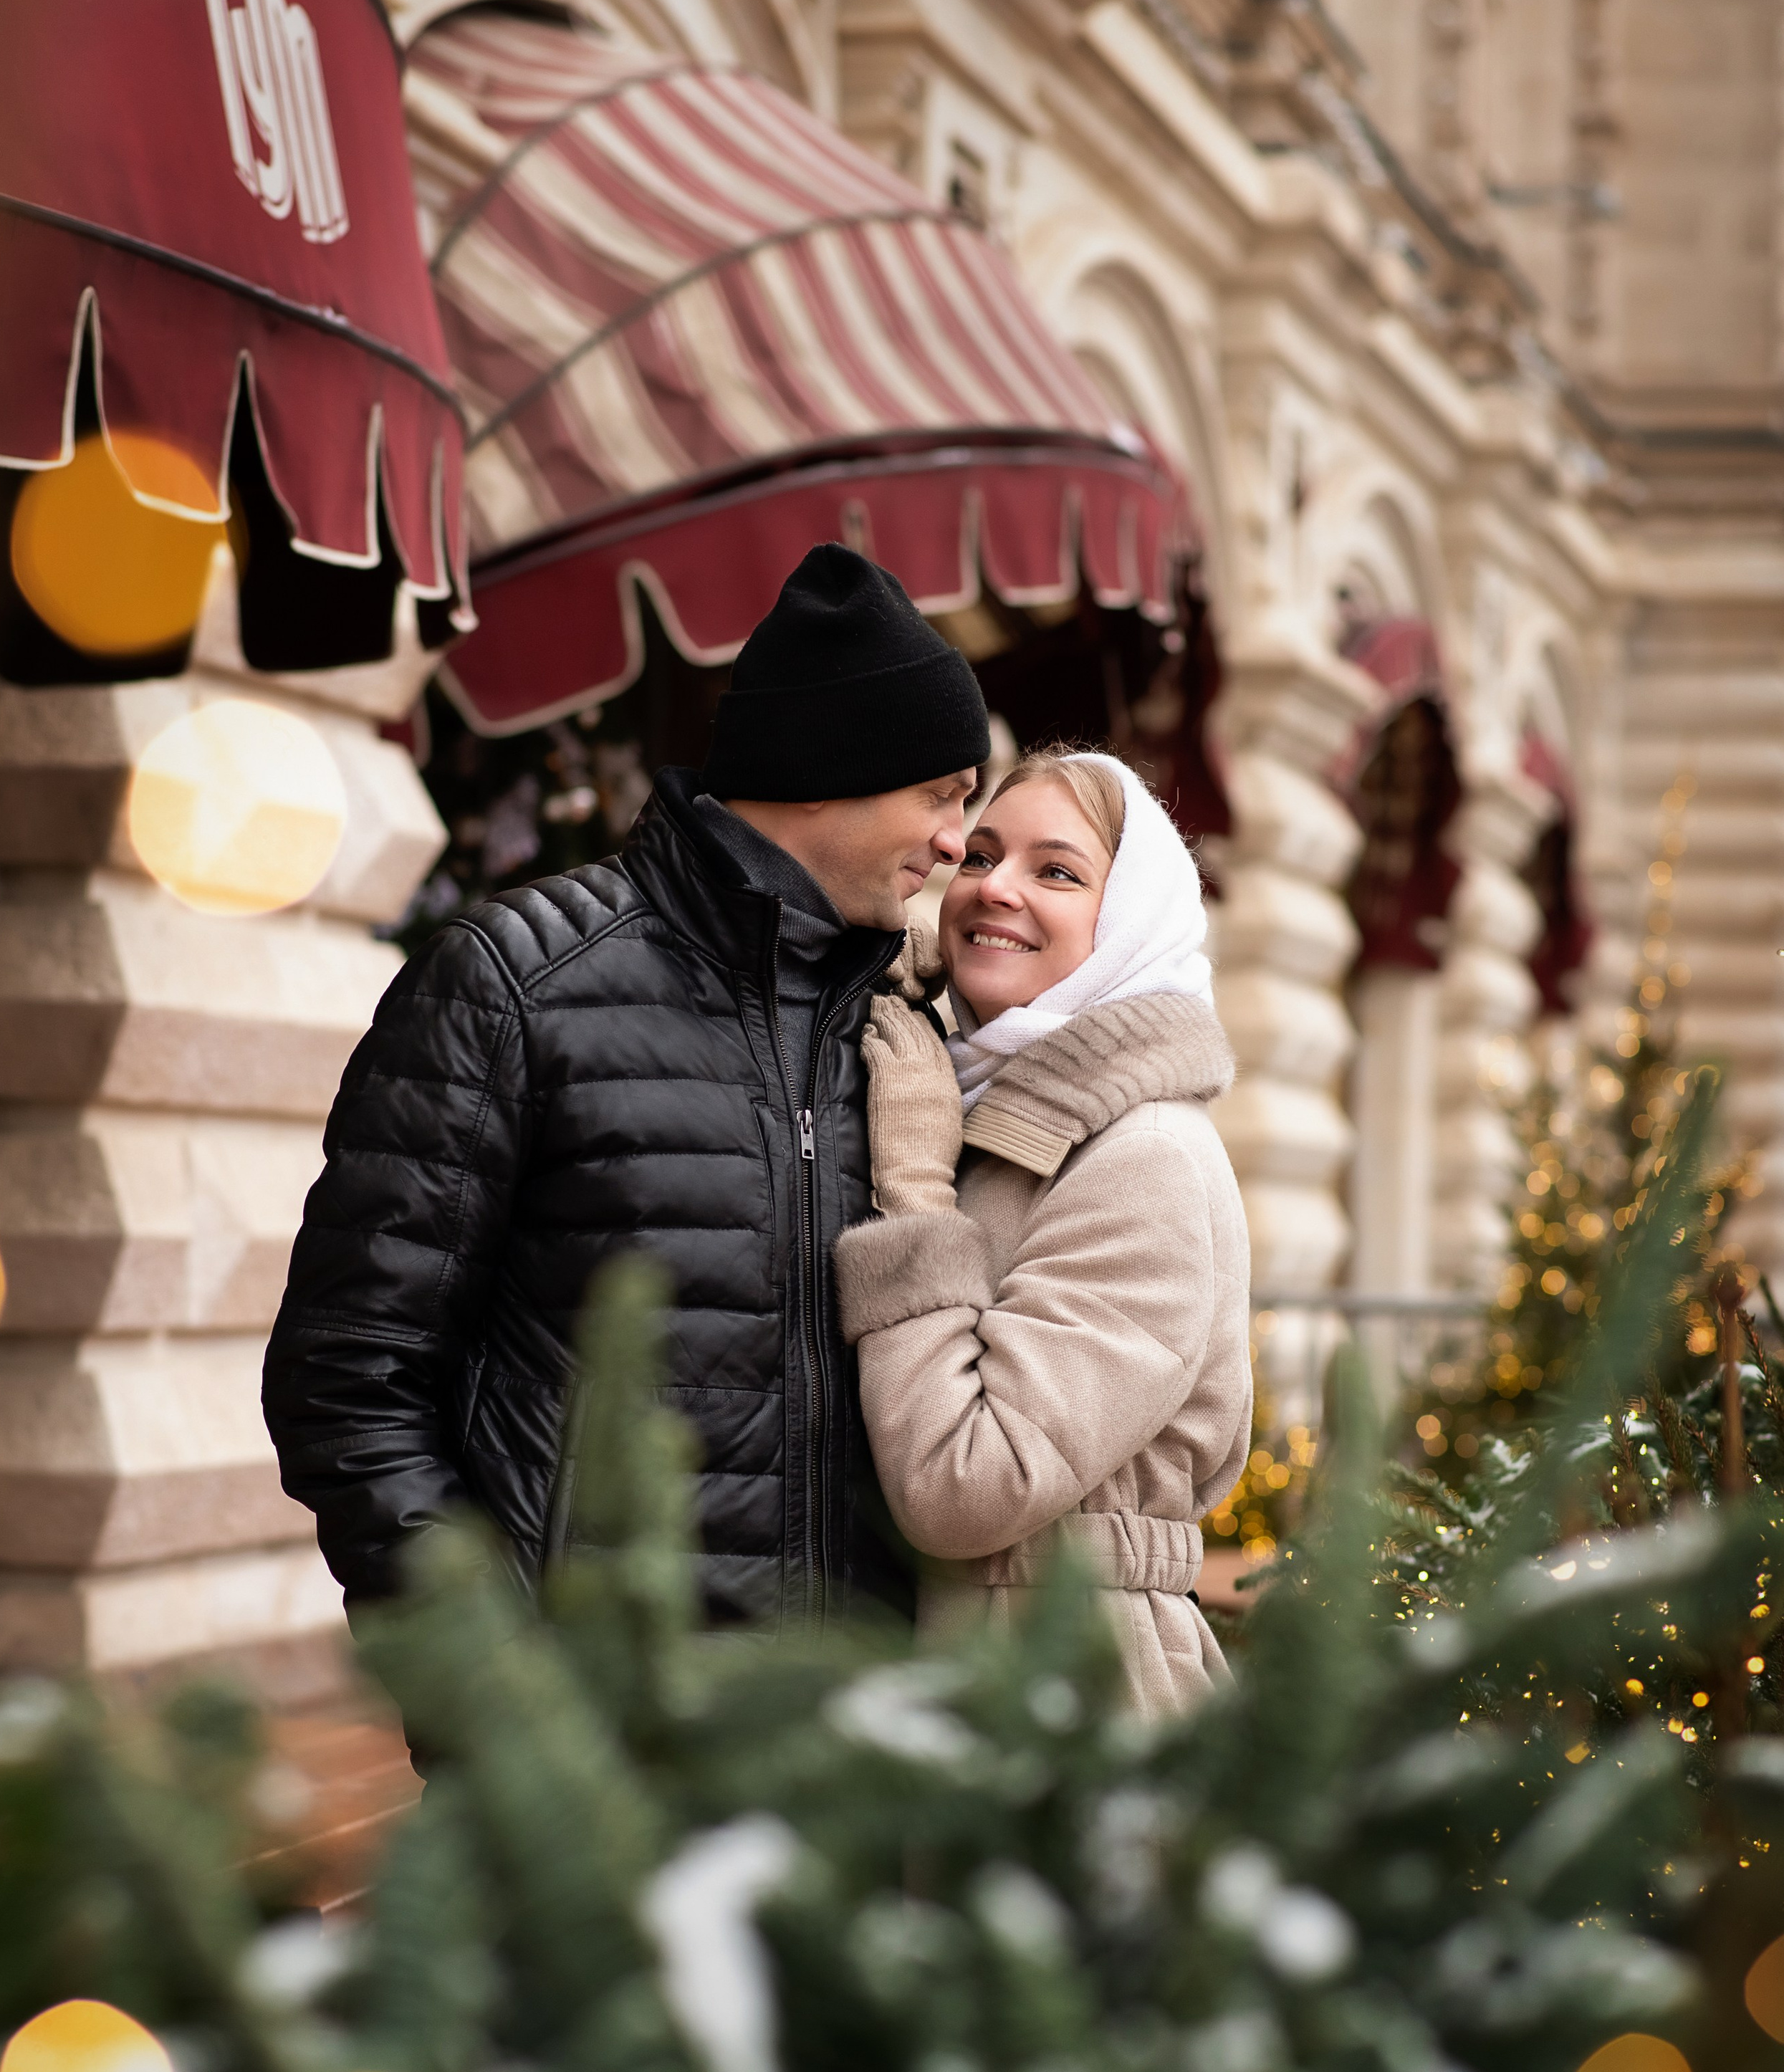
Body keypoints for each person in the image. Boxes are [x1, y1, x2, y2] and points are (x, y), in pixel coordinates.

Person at [262, 545, 988, 1629]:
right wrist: (494, 1689)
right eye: (942, 794)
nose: (955, 841)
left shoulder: (901, 1031)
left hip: (851, 1749)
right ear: (832, 765)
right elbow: (352, 1373)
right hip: (595, 1745)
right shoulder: (514, 980)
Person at [833, 744, 1251, 1716]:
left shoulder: (1142, 1156)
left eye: (1056, 871)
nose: (993, 889)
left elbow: (965, 1486)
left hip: (1071, 1690)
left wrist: (912, 1187)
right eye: (978, 858)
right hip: (971, 1673)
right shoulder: (981, 1102)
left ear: (1131, 928)